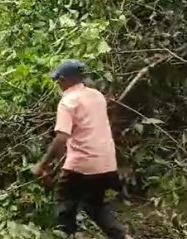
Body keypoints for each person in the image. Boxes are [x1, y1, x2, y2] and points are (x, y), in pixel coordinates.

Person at [31, 60, 131, 239]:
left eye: (59, 80)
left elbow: (61, 137)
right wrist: (60, 163)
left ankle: (64, 236)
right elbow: (84, 132)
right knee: (95, 206)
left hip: (83, 165)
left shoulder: (68, 101)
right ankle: (123, 236)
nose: (58, 84)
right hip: (105, 163)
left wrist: (42, 165)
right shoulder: (97, 95)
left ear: (65, 79)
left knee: (65, 207)